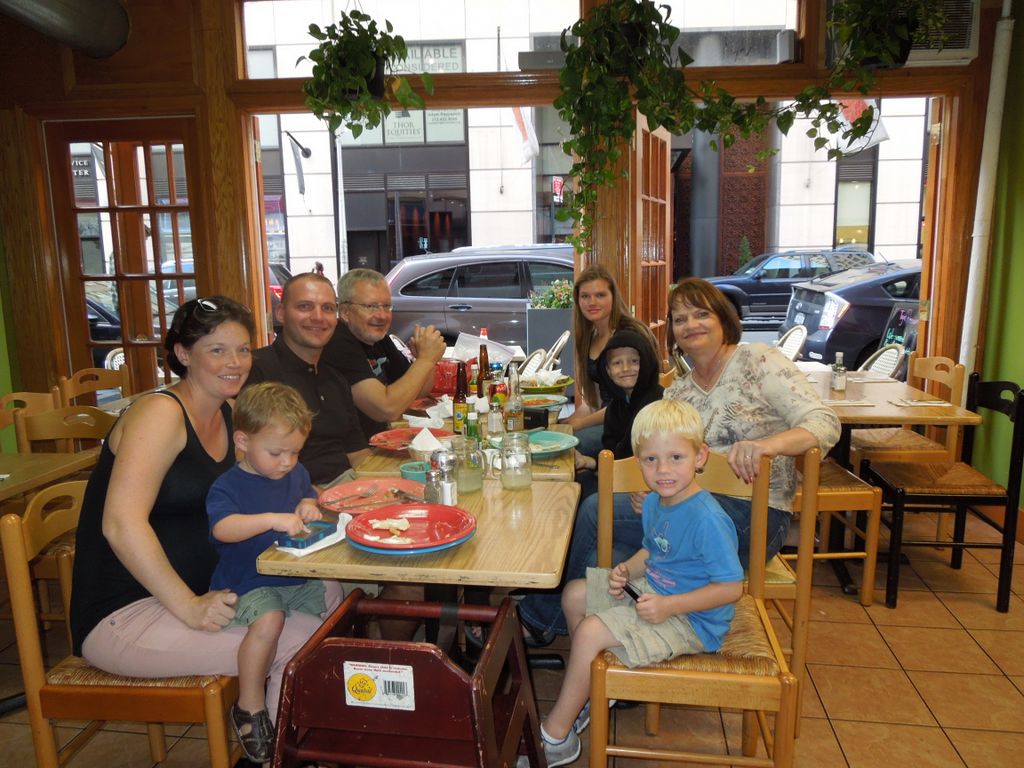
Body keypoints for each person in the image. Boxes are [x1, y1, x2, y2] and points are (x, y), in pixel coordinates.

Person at [69, 296, 339, 729]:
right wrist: (188, 606)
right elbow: (121, 524)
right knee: (306, 639)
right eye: (217, 350)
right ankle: (266, 740)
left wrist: (321, 498)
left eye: (243, 349)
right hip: (130, 612)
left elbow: (270, 484)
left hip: (214, 587)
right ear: (182, 354)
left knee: (329, 593)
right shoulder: (159, 414)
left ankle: (289, 728)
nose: (235, 362)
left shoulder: (231, 414)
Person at [527, 400, 743, 767]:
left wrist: (668, 606)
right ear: (639, 460)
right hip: (654, 594)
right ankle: (597, 689)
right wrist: (626, 570)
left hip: (692, 618)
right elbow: (652, 550)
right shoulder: (658, 501)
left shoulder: (708, 519)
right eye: (651, 460)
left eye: (676, 458)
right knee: (575, 593)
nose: (663, 470)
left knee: (591, 632)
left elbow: (731, 589)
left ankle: (556, 736)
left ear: (700, 456)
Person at [205, 381, 325, 762]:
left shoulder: (293, 470)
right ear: (242, 440)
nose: (288, 462)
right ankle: (250, 704)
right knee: (270, 620)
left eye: (295, 452)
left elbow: (308, 492)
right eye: (277, 453)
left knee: (334, 600)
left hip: (292, 577)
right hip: (247, 582)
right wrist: (271, 519)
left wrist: (309, 505)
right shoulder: (228, 486)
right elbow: (222, 529)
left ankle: (304, 699)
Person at [246, 273, 369, 489]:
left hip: (346, 490)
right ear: (281, 313)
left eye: (328, 308)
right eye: (305, 306)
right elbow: (245, 461)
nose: (318, 317)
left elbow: (357, 453)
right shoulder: (256, 371)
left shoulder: (336, 378)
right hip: (292, 501)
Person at [321, 268, 447, 439]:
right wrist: (425, 360)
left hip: (382, 439)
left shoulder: (379, 339)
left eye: (386, 306)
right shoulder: (338, 343)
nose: (381, 315)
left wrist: (425, 360)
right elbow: (386, 409)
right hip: (353, 454)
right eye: (370, 306)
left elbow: (416, 393)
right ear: (345, 312)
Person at [562, 265, 658, 458]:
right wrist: (564, 424)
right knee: (557, 437)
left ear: (613, 297)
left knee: (566, 449)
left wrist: (579, 425)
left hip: (629, 425)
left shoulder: (629, 335)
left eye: (600, 295)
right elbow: (592, 401)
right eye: (585, 296)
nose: (592, 302)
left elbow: (625, 403)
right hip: (608, 420)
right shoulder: (591, 335)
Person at [572, 328, 664, 500]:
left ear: (646, 363)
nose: (626, 368)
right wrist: (588, 462)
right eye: (617, 363)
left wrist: (594, 464)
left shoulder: (655, 405)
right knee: (577, 484)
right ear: (607, 370)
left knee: (588, 505)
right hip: (622, 476)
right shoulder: (617, 406)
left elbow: (631, 459)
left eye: (634, 361)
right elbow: (612, 451)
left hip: (648, 488)